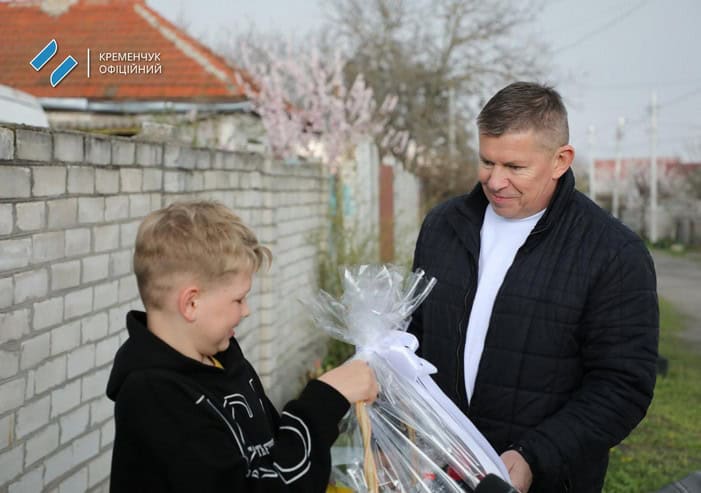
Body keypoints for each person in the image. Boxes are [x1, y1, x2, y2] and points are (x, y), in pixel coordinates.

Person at [408, 82, 658, 493]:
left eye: (515, 167)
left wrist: (533, 456)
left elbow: (622, 386)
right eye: (486, 161)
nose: (495, 181)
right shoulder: (443, 226)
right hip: (437, 471)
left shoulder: (613, 252)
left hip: (546, 481)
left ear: (561, 160)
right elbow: (415, 335)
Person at [106, 201, 378, 492]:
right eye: (239, 299)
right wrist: (324, 400)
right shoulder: (154, 397)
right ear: (191, 303)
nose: (246, 310)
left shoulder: (224, 361)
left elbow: (274, 456)